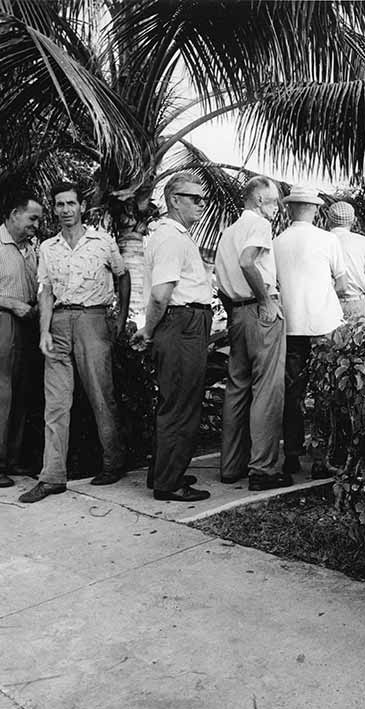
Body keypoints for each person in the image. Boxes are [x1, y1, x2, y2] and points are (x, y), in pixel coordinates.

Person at [19, 182, 129, 504]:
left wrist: (120, 319)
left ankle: (114, 462)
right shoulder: (48, 248)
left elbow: (123, 276)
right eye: (59, 205)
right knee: (55, 404)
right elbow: (46, 291)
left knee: (101, 396)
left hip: (93, 321)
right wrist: (44, 331)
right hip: (58, 324)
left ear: (82, 206)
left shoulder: (102, 242)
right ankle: (52, 477)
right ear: (54, 209)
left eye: (70, 203)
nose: (65, 210)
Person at [131, 173, 213, 502]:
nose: (201, 204)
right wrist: (148, 331)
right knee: (181, 405)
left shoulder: (174, 236)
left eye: (202, 198)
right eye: (194, 198)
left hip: (184, 323)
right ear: (174, 200)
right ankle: (169, 482)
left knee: (175, 402)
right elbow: (161, 294)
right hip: (182, 323)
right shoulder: (172, 238)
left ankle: (164, 471)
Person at [215, 176, 292, 491]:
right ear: (260, 200)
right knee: (267, 389)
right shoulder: (259, 225)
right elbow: (248, 262)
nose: (276, 208)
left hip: (236, 313)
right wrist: (264, 300)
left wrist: (238, 309)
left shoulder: (228, 232)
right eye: (273, 201)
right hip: (261, 310)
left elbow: (221, 280)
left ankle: (231, 465)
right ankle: (263, 469)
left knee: (237, 388)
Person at [273, 185, 346, 478]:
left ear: (289, 210)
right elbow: (341, 285)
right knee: (326, 394)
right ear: (315, 210)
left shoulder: (277, 241)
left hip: (291, 325)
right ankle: (321, 458)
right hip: (323, 324)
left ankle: (291, 453)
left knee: (293, 393)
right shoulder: (327, 240)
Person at [0, 190, 43, 487]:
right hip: (4, 321)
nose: (36, 225)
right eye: (32, 218)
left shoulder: (32, 248)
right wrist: (12, 303)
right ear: (15, 214)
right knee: (1, 394)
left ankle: (12, 460)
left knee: (22, 393)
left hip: (28, 324)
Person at [326, 201, 365, 323]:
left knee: (328, 341)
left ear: (329, 220)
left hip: (327, 304)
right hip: (357, 303)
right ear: (353, 220)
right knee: (360, 340)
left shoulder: (320, 241)